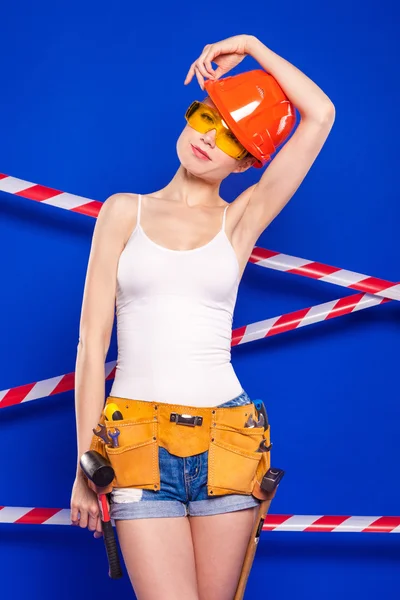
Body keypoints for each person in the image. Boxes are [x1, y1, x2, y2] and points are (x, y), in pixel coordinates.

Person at [70, 34, 335, 600]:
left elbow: (320, 114)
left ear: (245, 163)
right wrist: (84, 466)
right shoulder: (123, 211)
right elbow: (91, 346)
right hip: (134, 438)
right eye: (207, 119)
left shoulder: (240, 222)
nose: (208, 141)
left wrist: (251, 45)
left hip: (228, 437)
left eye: (231, 139)